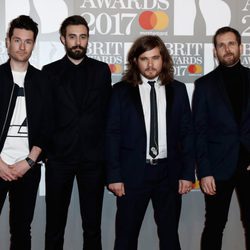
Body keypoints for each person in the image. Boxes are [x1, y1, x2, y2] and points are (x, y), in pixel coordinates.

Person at [106, 35, 195, 250]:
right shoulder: (120, 92)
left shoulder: (179, 90)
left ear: (163, 59)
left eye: (155, 58)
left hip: (169, 174)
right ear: (135, 61)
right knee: (125, 239)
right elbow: (111, 135)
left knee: (170, 238)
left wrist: (186, 173)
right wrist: (114, 175)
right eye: (144, 58)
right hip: (132, 174)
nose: (150, 64)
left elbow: (187, 134)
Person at [42, 15, 112, 250]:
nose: (77, 42)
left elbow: (106, 116)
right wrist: (48, 153)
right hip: (59, 160)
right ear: (63, 39)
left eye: (82, 37)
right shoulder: (49, 72)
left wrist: (104, 155)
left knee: (92, 228)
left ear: (88, 39)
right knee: (54, 227)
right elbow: (44, 116)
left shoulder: (102, 71)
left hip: (93, 161)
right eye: (72, 37)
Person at [193, 26, 250, 250]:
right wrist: (204, 171)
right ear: (215, 51)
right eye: (221, 45)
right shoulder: (204, 85)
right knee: (215, 225)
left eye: (231, 44)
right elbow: (199, 131)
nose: (227, 49)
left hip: (248, 166)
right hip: (217, 168)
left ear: (241, 47)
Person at [0, 15, 49, 250]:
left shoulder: (43, 81)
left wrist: (30, 160)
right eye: (17, 40)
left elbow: (50, 127)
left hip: (27, 167)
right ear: (7, 41)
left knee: (22, 231)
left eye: (28, 41)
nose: (22, 46)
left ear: (33, 44)